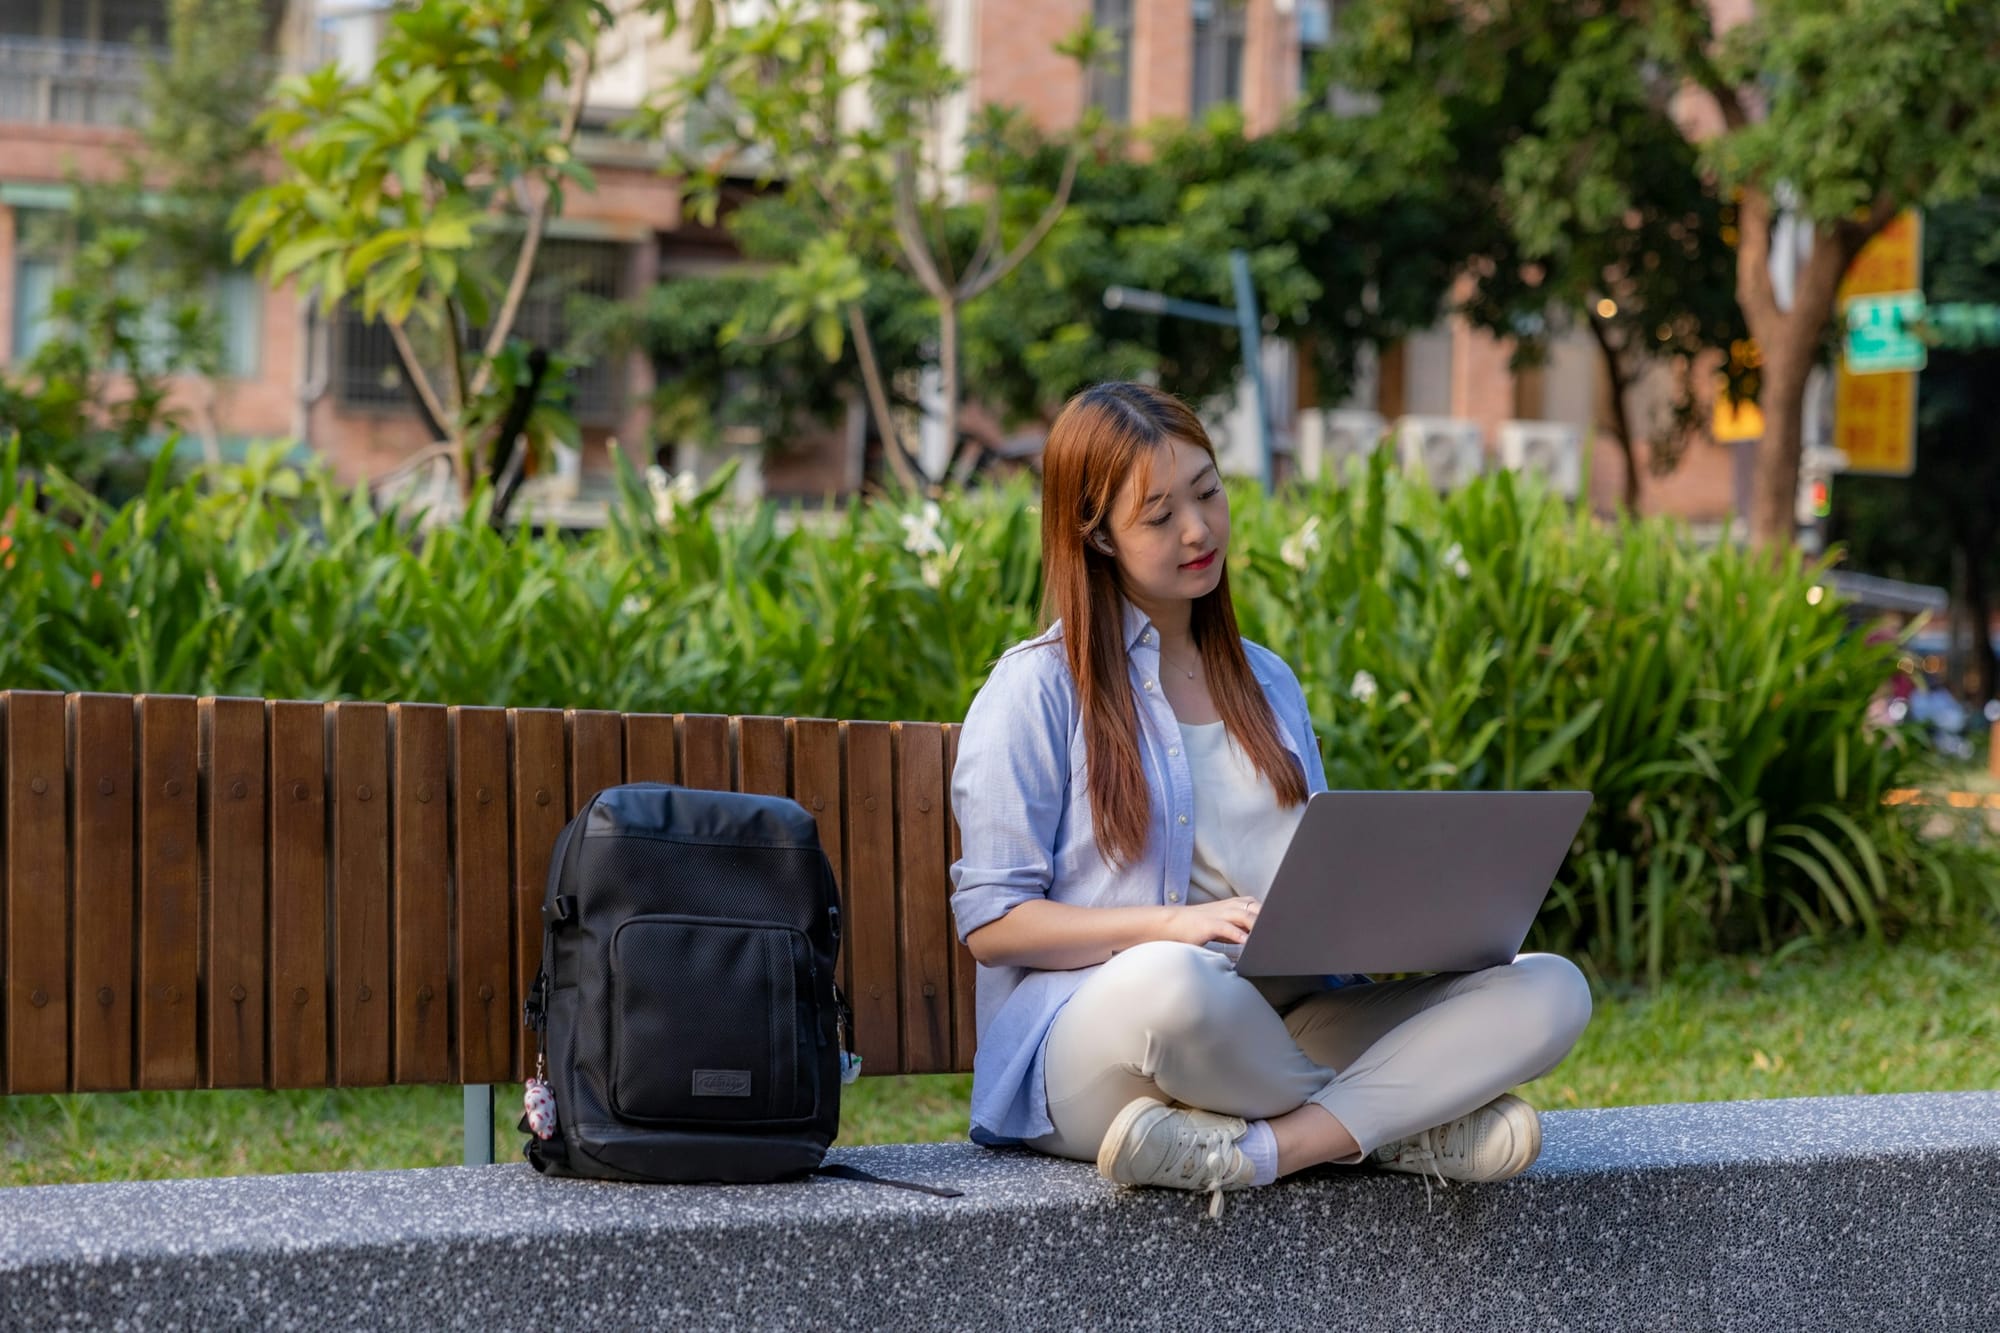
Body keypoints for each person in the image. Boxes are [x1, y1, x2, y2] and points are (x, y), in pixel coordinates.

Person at [947, 382, 1593, 1217]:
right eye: (1158, 514)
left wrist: (1399, 922)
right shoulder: (1036, 687)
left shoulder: (1267, 681)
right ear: (1095, 534)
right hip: (1116, 1044)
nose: (1197, 529)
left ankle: (1267, 1149)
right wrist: (1168, 925)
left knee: (1549, 988)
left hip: (1278, 1025)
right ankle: (1400, 1122)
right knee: (1176, 983)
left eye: (1209, 492)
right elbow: (994, 924)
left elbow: (1310, 880)